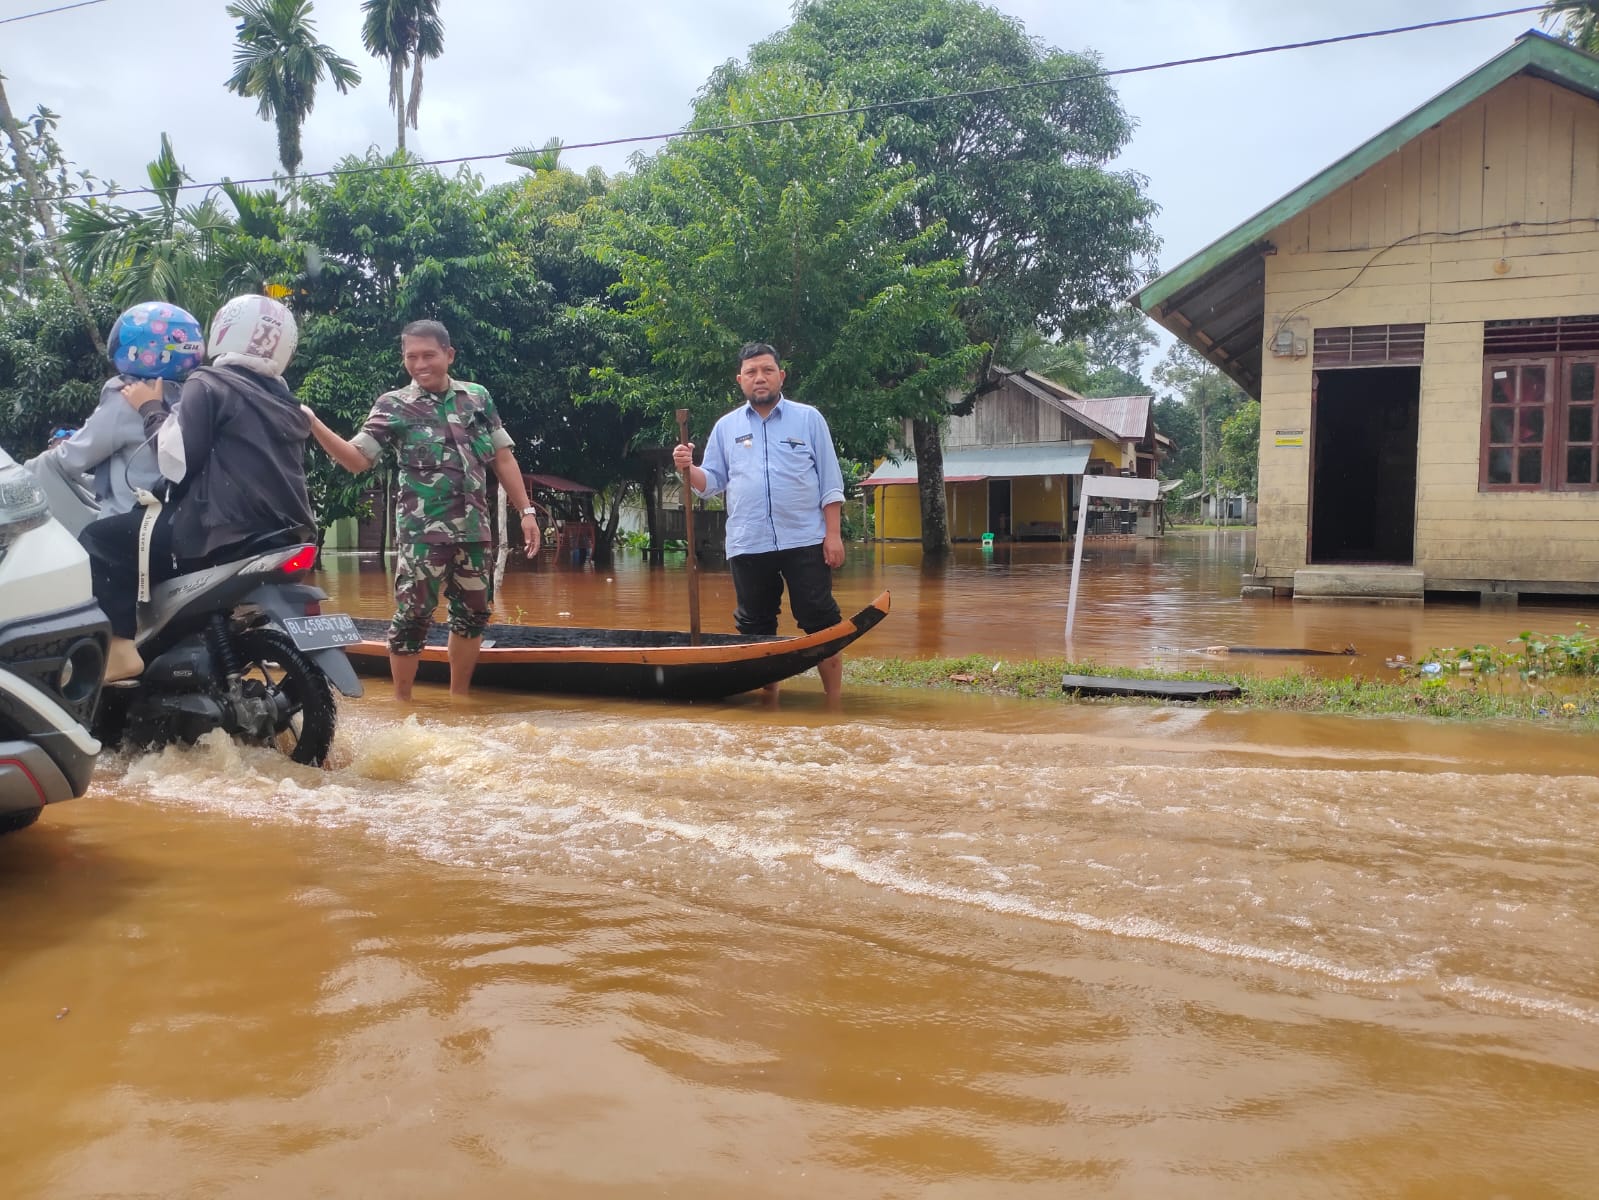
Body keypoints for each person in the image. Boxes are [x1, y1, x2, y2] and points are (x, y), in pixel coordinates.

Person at [302, 319, 542, 700]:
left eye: (428, 355)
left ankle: (458, 698)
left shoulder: (477, 398)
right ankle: (402, 705)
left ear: (449, 355)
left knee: (473, 617)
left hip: (475, 532)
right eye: (411, 357)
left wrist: (526, 512)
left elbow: (502, 458)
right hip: (421, 536)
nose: (419, 364)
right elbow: (357, 459)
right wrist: (313, 424)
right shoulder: (393, 404)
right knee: (412, 620)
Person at [80, 294, 316, 682]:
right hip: (285, 529)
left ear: (225, 330)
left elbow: (177, 462)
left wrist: (149, 407)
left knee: (100, 539)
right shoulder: (282, 396)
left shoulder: (209, 382)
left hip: (219, 526)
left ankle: (121, 649)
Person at [672, 342, 847, 703]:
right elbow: (711, 484)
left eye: (767, 370)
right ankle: (769, 701)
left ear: (781, 376)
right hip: (749, 542)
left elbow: (830, 483)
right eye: (751, 373)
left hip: (805, 539)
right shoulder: (726, 427)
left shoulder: (809, 419)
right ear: (740, 380)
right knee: (755, 626)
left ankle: (834, 703)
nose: (760, 378)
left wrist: (833, 535)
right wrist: (688, 469)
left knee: (820, 618)